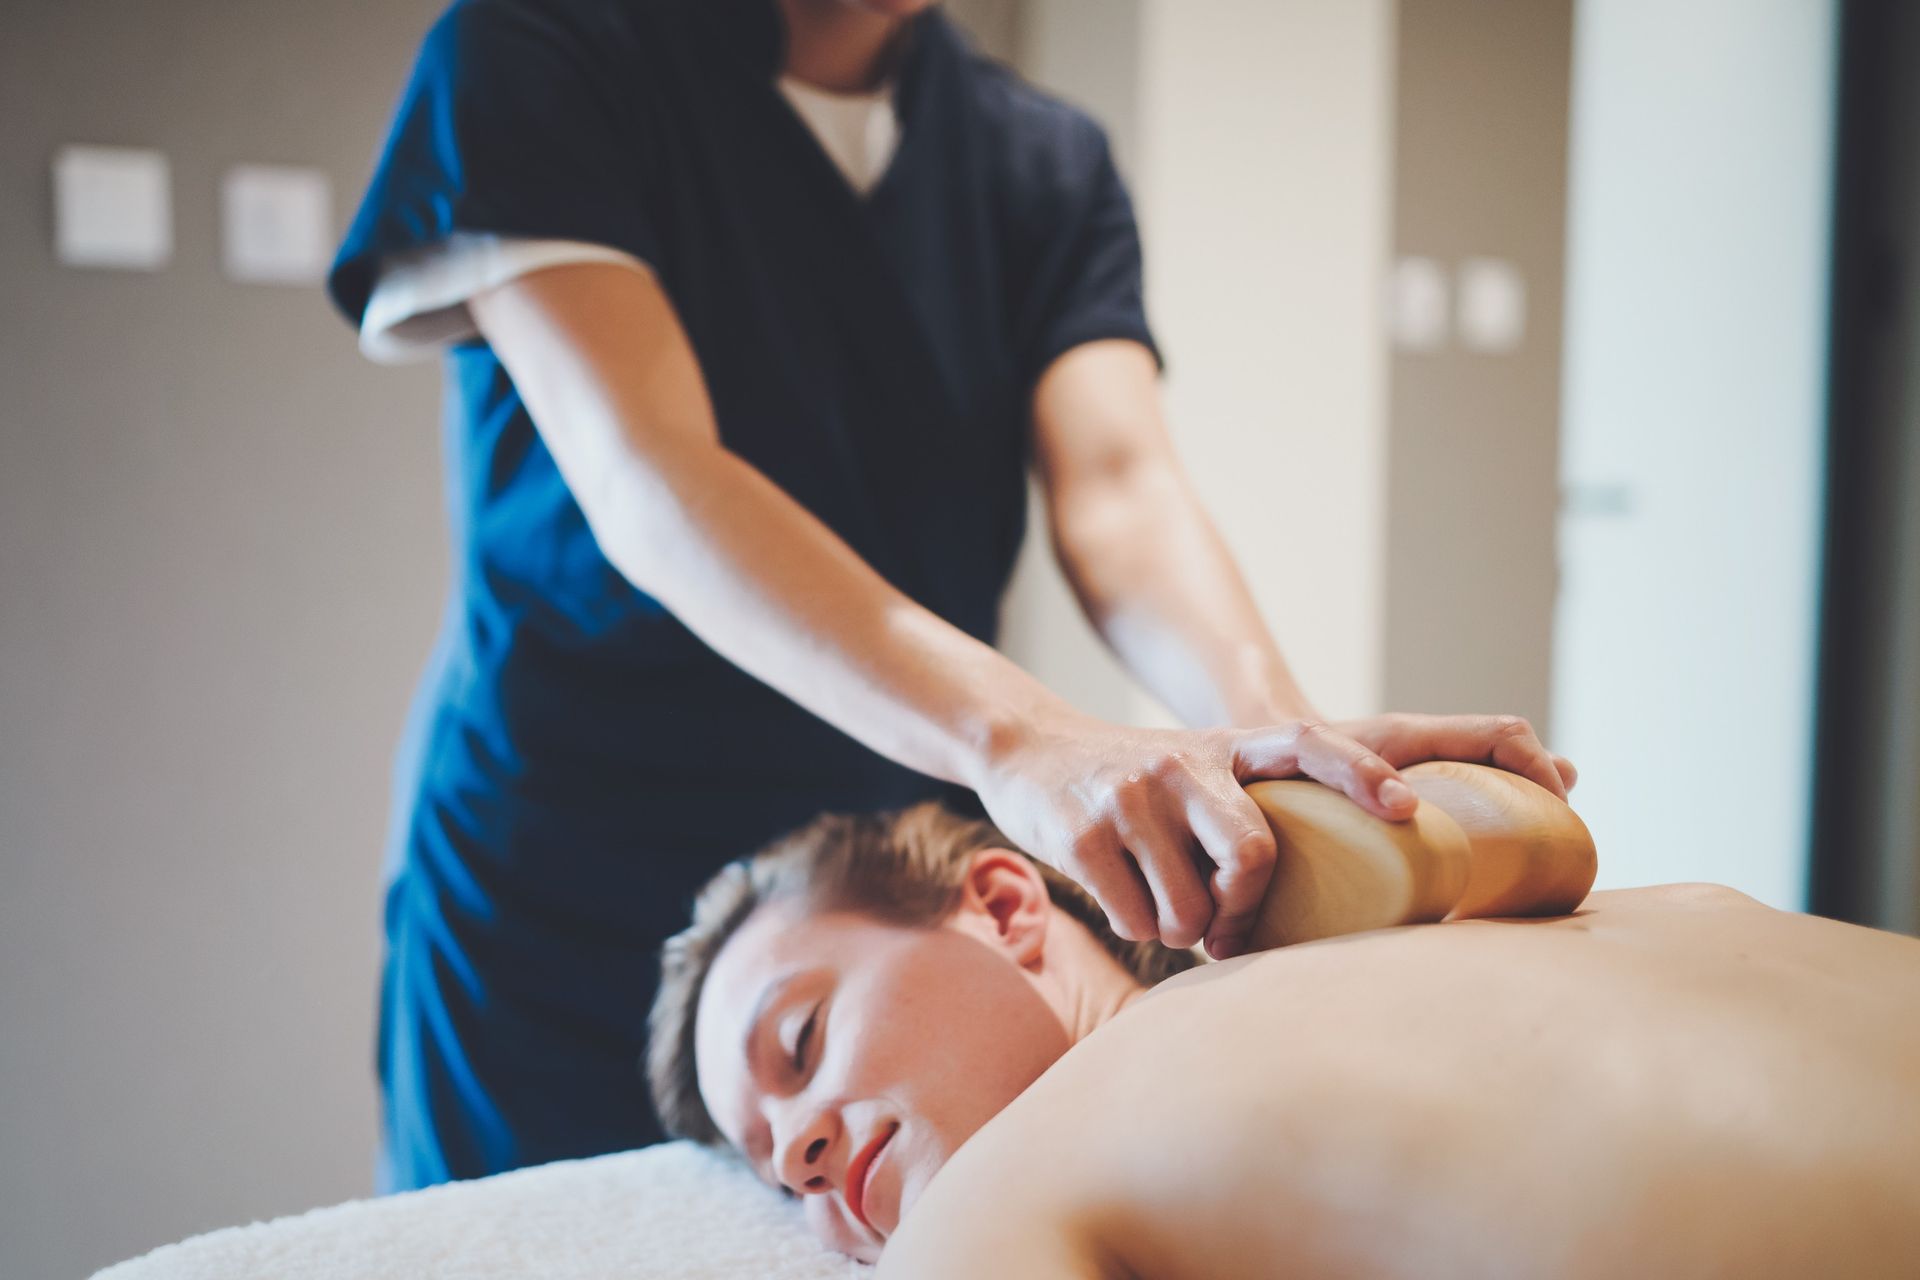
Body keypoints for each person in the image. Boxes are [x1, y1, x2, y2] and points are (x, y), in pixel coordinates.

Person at [326, 0, 1577, 1190]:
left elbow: (1121, 490)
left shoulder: (1042, 161)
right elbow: (654, 475)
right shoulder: (540, 49)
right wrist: (1024, 735)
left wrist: (1279, 740)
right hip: (563, 877)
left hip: (869, 882)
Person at [654, 798, 1920, 1276]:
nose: (806, 1154)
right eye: (777, 1169)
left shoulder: (997, 1191)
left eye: (803, 1038)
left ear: (1001, 903)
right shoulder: (1530, 917)